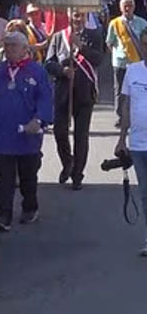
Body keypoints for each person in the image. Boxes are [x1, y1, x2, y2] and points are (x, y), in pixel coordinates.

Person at [0, 33, 53, 231]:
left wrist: (39, 120)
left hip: (28, 135)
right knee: (5, 176)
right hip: (3, 134)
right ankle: (3, 215)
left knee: (27, 176)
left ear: (25, 49)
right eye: (6, 45)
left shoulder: (37, 72)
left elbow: (46, 98)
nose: (9, 49)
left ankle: (30, 207)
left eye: (14, 45)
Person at [45, 11, 104, 190]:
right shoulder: (58, 37)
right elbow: (49, 63)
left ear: (86, 18)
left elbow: (98, 59)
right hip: (63, 92)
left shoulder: (94, 35)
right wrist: (62, 70)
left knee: (81, 136)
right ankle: (67, 162)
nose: (78, 19)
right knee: (60, 132)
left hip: (85, 93)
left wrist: (81, 46)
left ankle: (78, 174)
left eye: (81, 16)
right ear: (69, 17)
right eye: (75, 16)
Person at [115, 28, 147, 256]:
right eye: (144, 44)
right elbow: (125, 107)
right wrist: (121, 140)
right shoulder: (133, 71)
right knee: (145, 193)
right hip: (137, 144)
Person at [106, 0, 147, 122]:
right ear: (120, 8)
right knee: (120, 90)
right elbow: (109, 42)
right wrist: (118, 53)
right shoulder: (115, 23)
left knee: (137, 89)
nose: (128, 8)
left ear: (134, 7)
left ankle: (135, 114)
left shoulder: (142, 23)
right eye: (125, 6)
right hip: (120, 63)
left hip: (137, 62)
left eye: (130, 6)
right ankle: (121, 116)